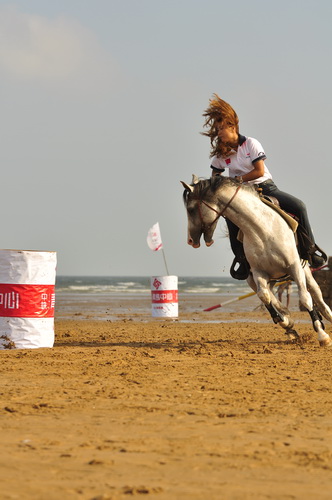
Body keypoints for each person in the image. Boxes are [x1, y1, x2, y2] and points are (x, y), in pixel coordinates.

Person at [202, 94, 327, 280]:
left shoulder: (250, 143)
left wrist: (236, 181)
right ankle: (242, 260)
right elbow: (215, 180)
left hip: (265, 188)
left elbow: (259, 171)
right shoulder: (221, 155)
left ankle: (310, 250)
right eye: (217, 129)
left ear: (232, 127)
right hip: (240, 196)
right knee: (230, 218)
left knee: (299, 206)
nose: (219, 132)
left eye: (222, 128)